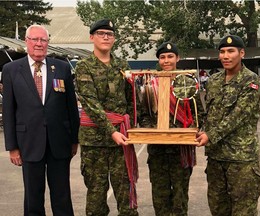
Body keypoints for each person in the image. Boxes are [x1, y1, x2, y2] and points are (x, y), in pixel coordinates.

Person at [2, 24, 80, 215]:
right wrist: (12, 147)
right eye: (35, 39)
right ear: (26, 42)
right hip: (28, 142)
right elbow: (9, 109)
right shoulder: (11, 69)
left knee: (61, 196)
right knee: (33, 197)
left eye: (43, 40)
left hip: (59, 142)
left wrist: (74, 139)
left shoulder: (61, 68)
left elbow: (71, 106)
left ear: (48, 43)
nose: (39, 44)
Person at [75, 19, 139, 216]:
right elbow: (91, 104)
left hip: (121, 140)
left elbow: (131, 100)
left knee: (126, 197)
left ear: (114, 39)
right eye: (101, 33)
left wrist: (134, 127)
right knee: (96, 200)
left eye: (109, 34)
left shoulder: (122, 65)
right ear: (91, 37)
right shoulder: (84, 67)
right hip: (95, 143)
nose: (105, 37)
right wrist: (112, 132)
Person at [195, 35, 260, 216]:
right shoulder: (213, 81)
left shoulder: (251, 80)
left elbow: (237, 116)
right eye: (222, 52)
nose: (226, 56)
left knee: (243, 210)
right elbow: (208, 114)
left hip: (241, 160)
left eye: (231, 51)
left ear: (242, 53)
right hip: (216, 158)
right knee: (218, 209)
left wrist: (209, 135)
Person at [142, 42, 204, 216]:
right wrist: (152, 131)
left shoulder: (187, 84)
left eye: (170, 56)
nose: (166, 60)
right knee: (160, 197)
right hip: (157, 150)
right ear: (158, 60)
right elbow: (143, 115)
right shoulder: (150, 85)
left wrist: (192, 131)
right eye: (162, 57)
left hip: (181, 150)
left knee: (180, 197)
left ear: (178, 58)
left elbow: (198, 114)